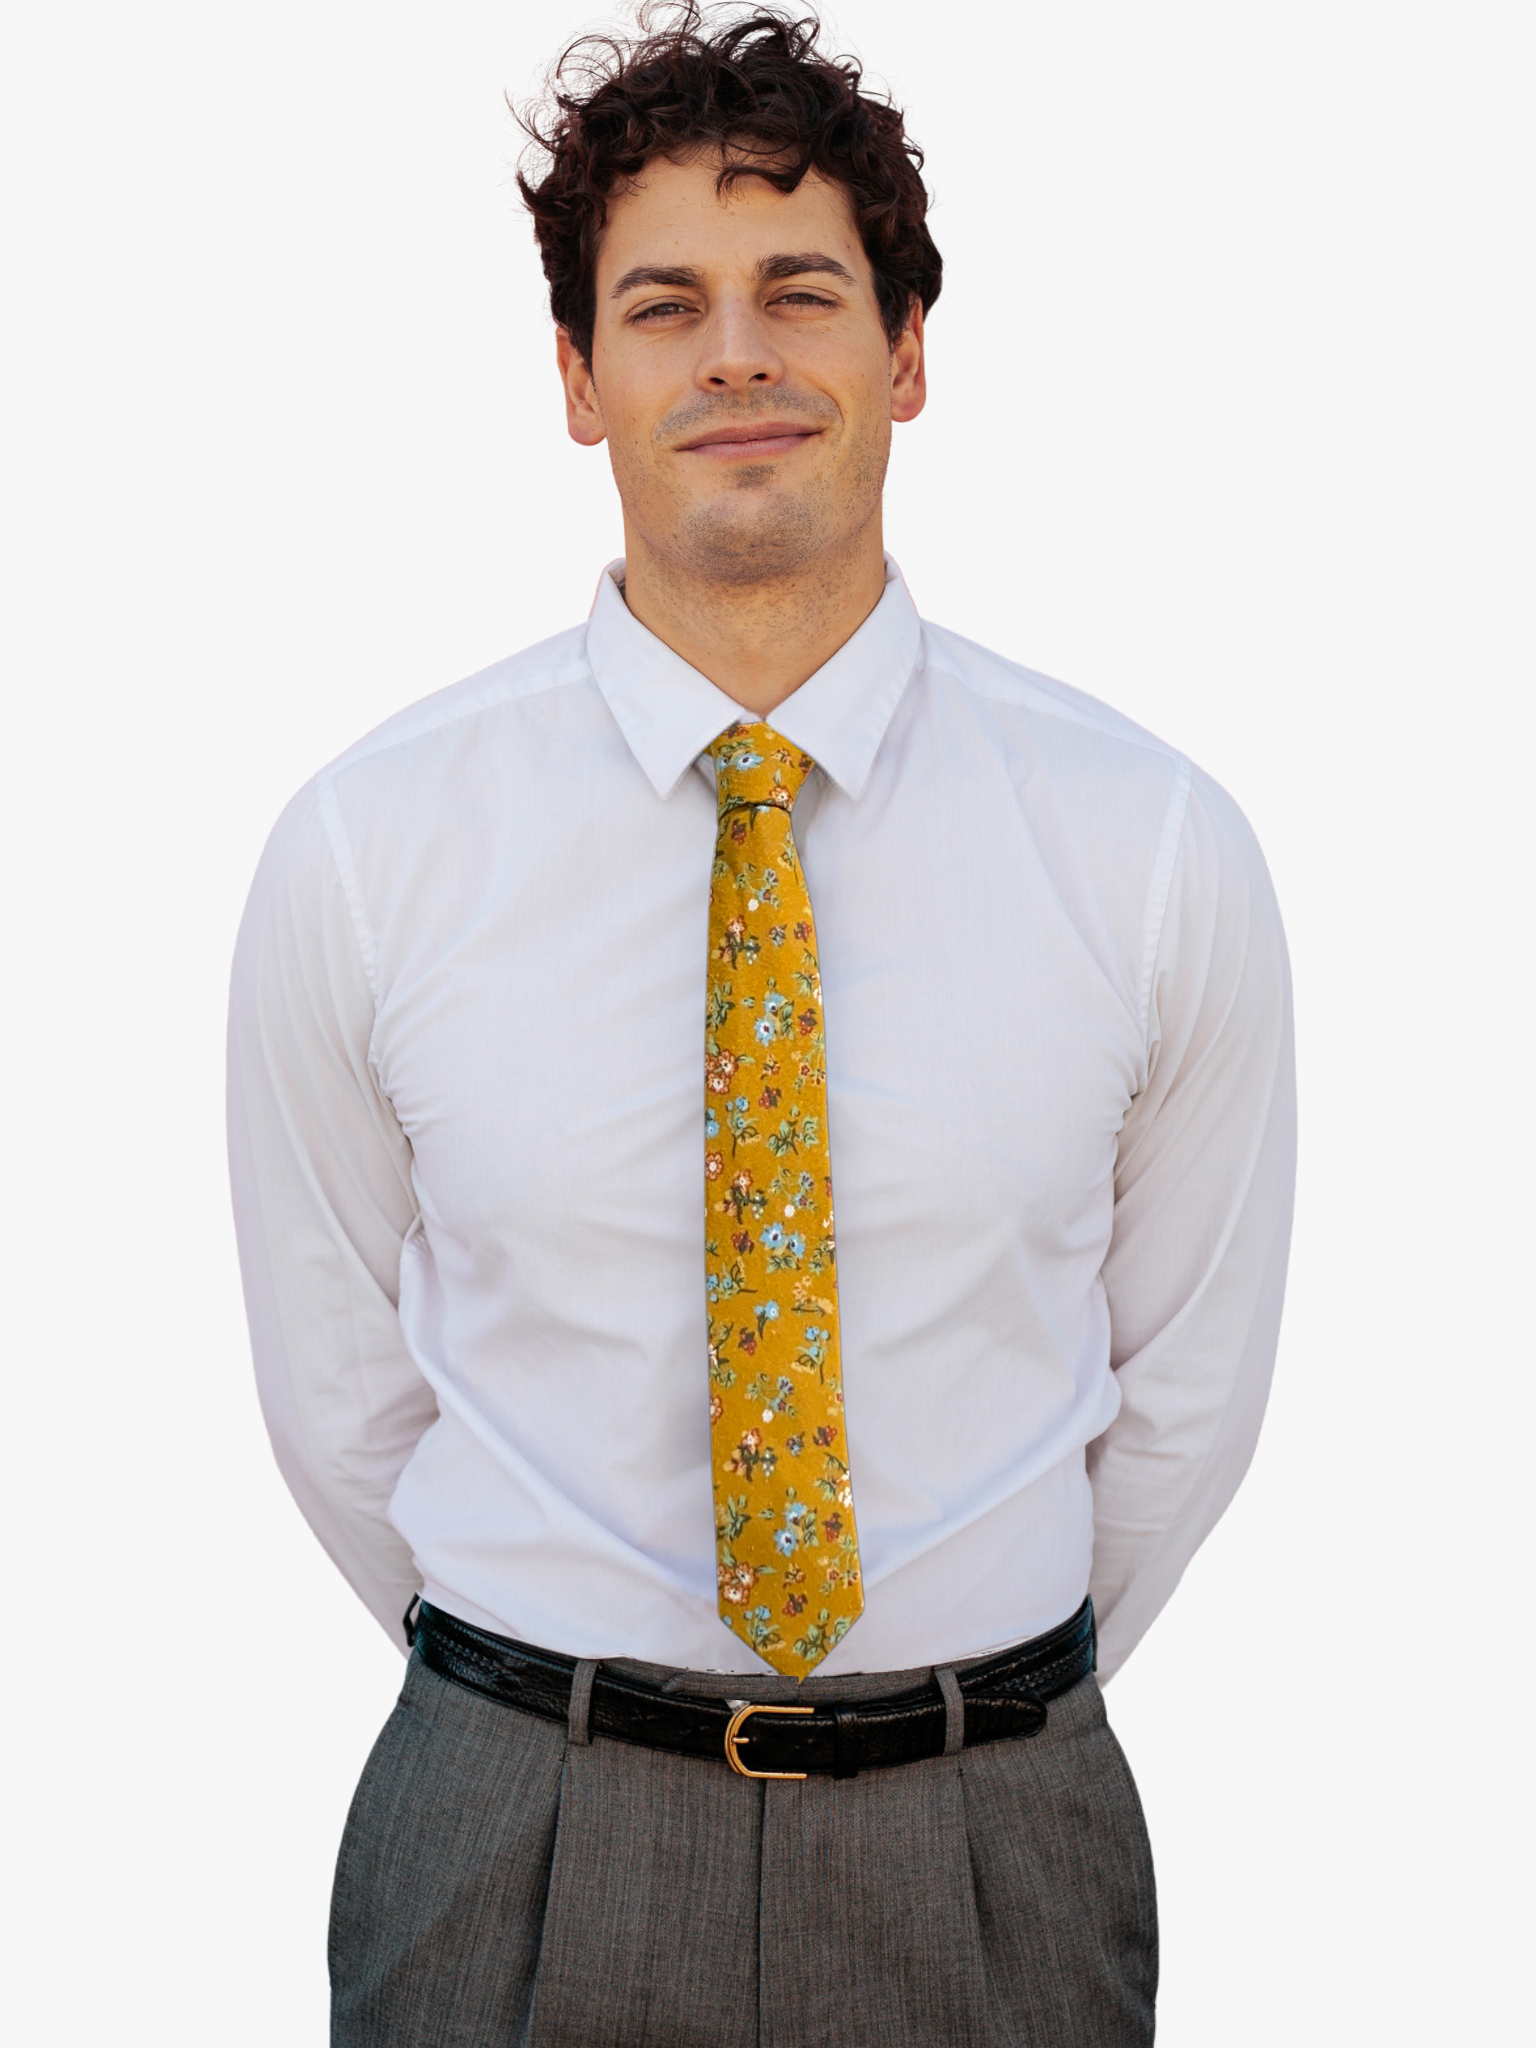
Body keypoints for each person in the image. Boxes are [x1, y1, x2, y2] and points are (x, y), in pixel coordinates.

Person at [227, 7, 1295, 2043]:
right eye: (663, 304)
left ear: (904, 355)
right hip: (509, 1835)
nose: (736, 354)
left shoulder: (1151, 847)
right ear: (576, 378)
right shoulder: (368, 850)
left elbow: (1181, 1403)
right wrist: (566, 1707)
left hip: (995, 1836)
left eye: (801, 290)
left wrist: (957, 1704)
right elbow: (338, 1394)